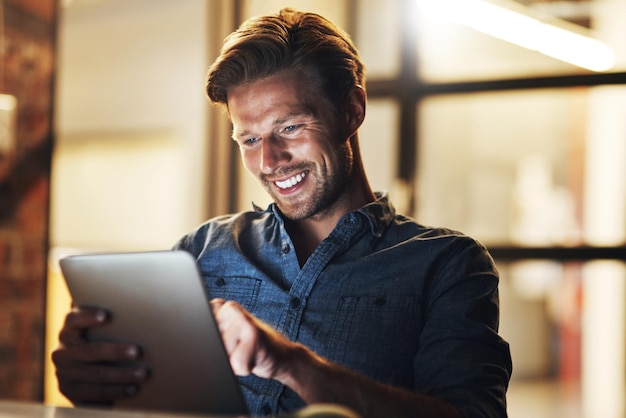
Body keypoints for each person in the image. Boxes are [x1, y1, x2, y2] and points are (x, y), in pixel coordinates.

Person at [52, 8, 512, 418]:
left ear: (352, 111)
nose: (269, 161)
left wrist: (291, 365)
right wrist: (93, 381)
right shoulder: (200, 252)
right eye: (249, 140)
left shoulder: (447, 265)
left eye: (289, 127)